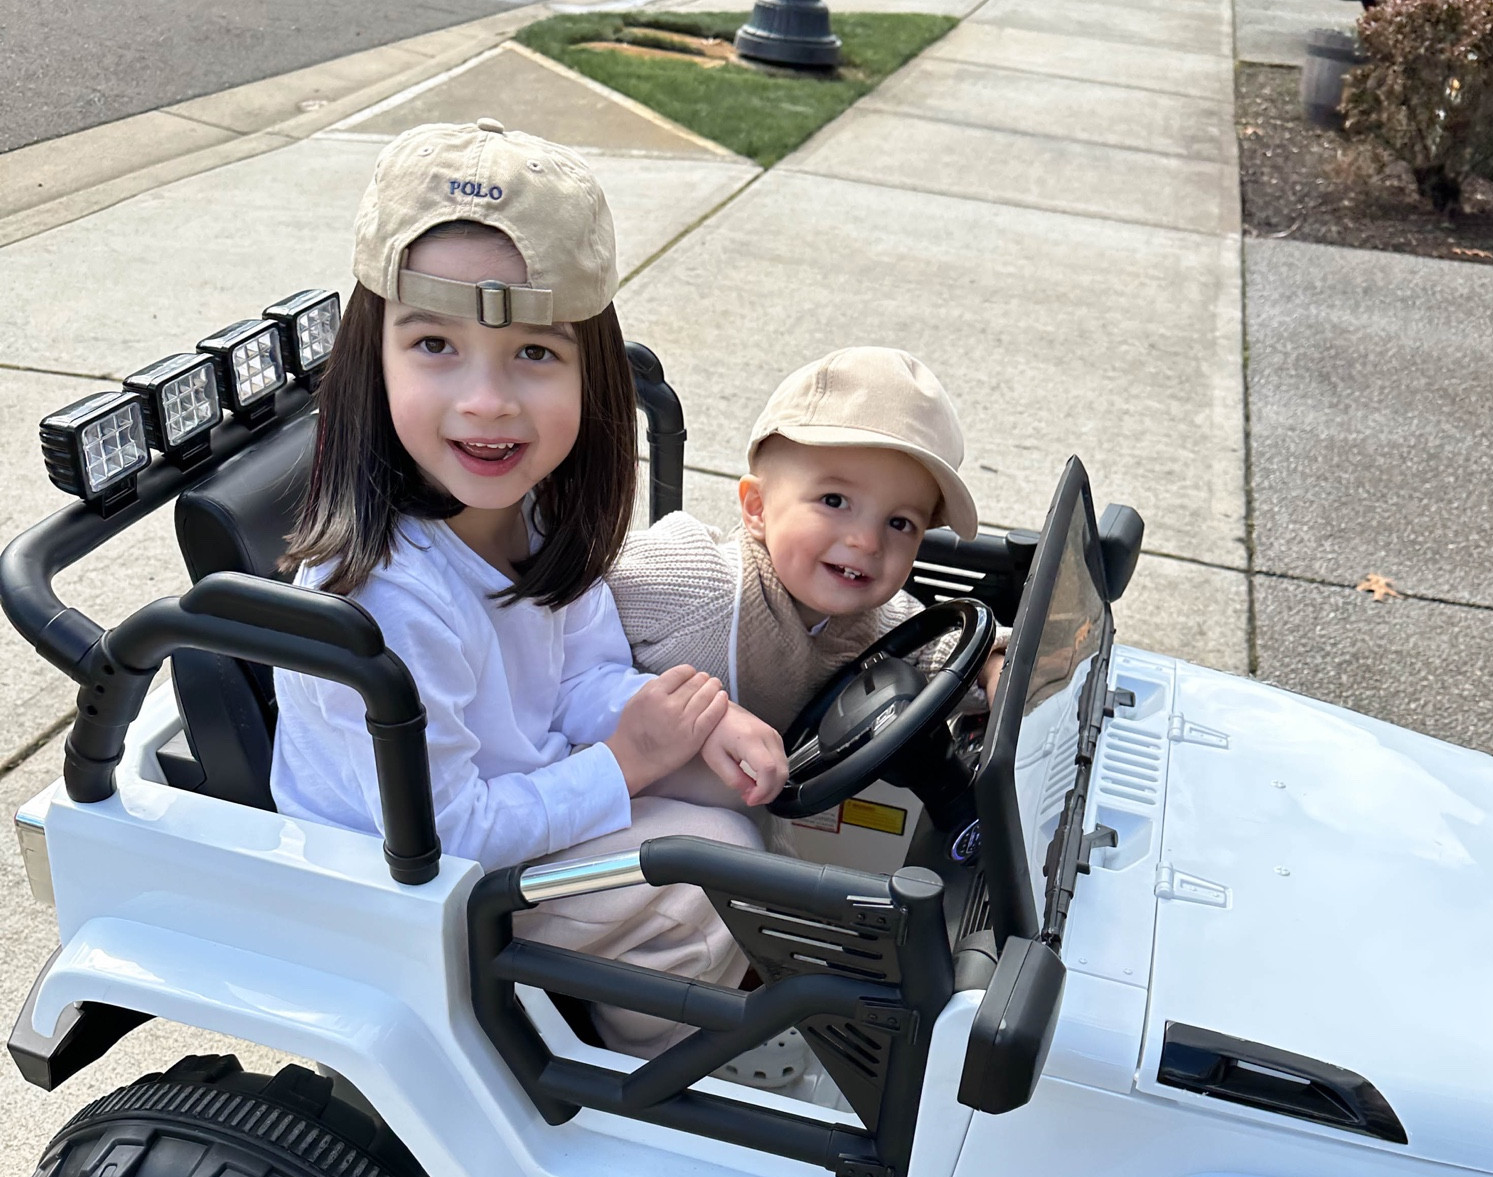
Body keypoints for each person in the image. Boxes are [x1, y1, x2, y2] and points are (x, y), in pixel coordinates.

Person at [270, 117, 785, 1058]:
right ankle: (638, 1083)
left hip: (510, 808)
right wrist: (626, 764)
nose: (487, 400)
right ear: (370, 357)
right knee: (696, 884)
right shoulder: (384, 602)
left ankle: (682, 1002)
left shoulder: (534, 516)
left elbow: (578, 677)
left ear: (591, 371)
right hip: (411, 884)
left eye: (534, 354)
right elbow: (449, 830)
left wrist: (686, 720)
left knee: (738, 791)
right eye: (434, 345)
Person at [609, 347, 1004, 741]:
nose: (867, 542)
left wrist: (992, 664)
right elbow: (571, 595)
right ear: (758, 508)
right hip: (624, 786)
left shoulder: (878, 621)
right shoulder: (698, 581)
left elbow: (934, 647)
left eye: (900, 523)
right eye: (834, 501)